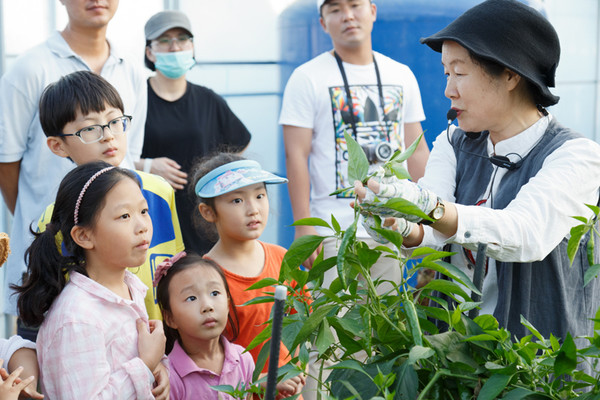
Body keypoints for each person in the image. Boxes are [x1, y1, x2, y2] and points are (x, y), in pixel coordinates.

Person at [355, 0, 600, 345]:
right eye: (446, 73)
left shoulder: (575, 156)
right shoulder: (454, 142)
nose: (448, 89)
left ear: (511, 74)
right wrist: (398, 224)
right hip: (458, 356)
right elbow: (436, 232)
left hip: (535, 368)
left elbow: (524, 234)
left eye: (460, 72)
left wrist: (427, 206)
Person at [279, 0, 428, 395]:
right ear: (322, 20)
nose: (347, 15)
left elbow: (416, 149)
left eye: (355, 5)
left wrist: (428, 222)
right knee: (329, 342)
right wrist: (303, 229)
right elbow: (296, 155)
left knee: (386, 339)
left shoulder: (401, 74)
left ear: (373, 11)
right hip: (335, 230)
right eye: (334, 8)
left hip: (393, 231)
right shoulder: (307, 77)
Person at [0, 0, 147, 327]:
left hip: (117, 264)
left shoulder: (133, 69)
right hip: (48, 263)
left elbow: (129, 158)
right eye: (92, 128)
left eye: (113, 122)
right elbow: (5, 161)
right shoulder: (29, 69)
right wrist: (46, 220)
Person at [13, 161, 169, 399]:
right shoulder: (77, 317)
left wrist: (158, 368)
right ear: (84, 236)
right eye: (125, 215)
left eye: (144, 211)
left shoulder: (128, 287)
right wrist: (145, 364)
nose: (142, 226)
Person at [37, 71, 184, 321]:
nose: (108, 135)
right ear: (58, 145)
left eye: (115, 121)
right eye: (91, 128)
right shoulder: (55, 217)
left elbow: (177, 265)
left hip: (167, 338)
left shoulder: (160, 190)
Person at [136, 10, 251, 256]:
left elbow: (239, 148)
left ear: (192, 47)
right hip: (152, 221)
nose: (175, 47)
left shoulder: (208, 99)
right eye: (164, 41)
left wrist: (216, 181)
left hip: (202, 224)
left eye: (182, 39)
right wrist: (146, 167)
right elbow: (109, 157)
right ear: (150, 52)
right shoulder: (135, 100)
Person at [192, 153, 306, 398]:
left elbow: (302, 323)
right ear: (208, 212)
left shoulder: (282, 257)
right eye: (236, 201)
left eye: (259, 195)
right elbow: (204, 359)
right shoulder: (203, 278)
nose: (253, 209)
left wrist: (296, 368)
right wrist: (259, 381)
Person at [155, 252, 254, 399]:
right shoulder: (170, 377)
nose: (207, 306)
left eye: (214, 293)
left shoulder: (243, 359)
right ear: (170, 318)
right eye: (191, 298)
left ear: (227, 304)